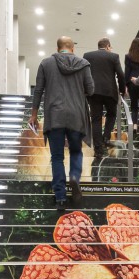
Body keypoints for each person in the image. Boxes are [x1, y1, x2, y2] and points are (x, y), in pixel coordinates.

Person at [31, 36, 94, 209]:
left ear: (58, 48)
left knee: (57, 157)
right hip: (76, 115)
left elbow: (38, 91)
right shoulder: (83, 64)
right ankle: (74, 177)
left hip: (54, 115)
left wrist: (34, 115)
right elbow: (91, 89)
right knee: (75, 151)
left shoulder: (46, 64)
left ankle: (60, 197)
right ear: (72, 49)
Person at [83, 37, 126, 156]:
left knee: (96, 119)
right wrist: (122, 90)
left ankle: (98, 149)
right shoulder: (113, 56)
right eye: (110, 47)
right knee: (111, 114)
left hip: (93, 92)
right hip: (109, 92)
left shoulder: (87, 56)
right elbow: (121, 75)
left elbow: (83, 74)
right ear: (107, 46)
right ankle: (105, 139)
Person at [124, 37, 139, 132]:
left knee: (134, 105)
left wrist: (125, 85)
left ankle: (134, 125)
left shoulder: (128, 56)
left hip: (132, 83)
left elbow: (127, 71)